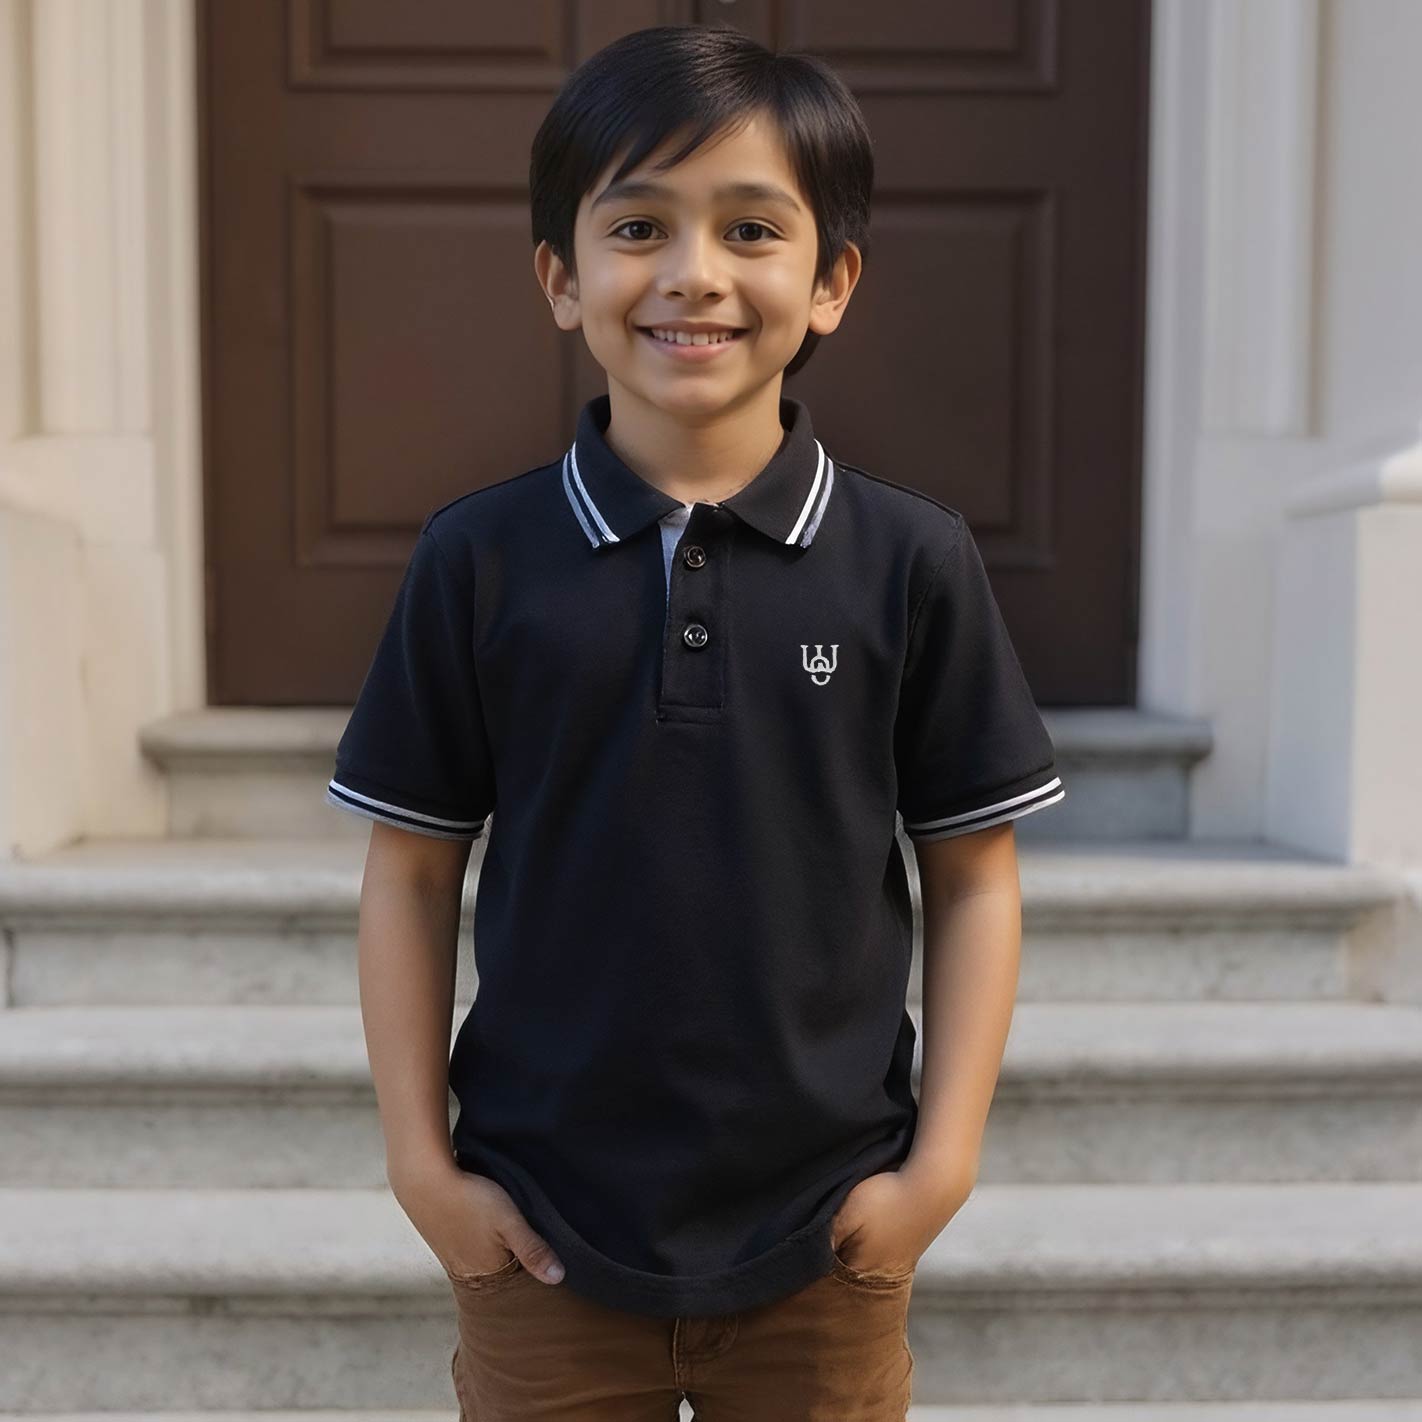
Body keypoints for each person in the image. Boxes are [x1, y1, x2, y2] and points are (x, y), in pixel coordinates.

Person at [326, 22, 1065, 1420]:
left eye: (749, 228)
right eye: (638, 226)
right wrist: (424, 1170)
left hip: (824, 1232)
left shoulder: (910, 560)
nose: (693, 274)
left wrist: (938, 1170)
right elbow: (412, 870)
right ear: (561, 277)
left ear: (830, 280)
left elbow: (972, 874)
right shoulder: (476, 559)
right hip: (542, 1234)